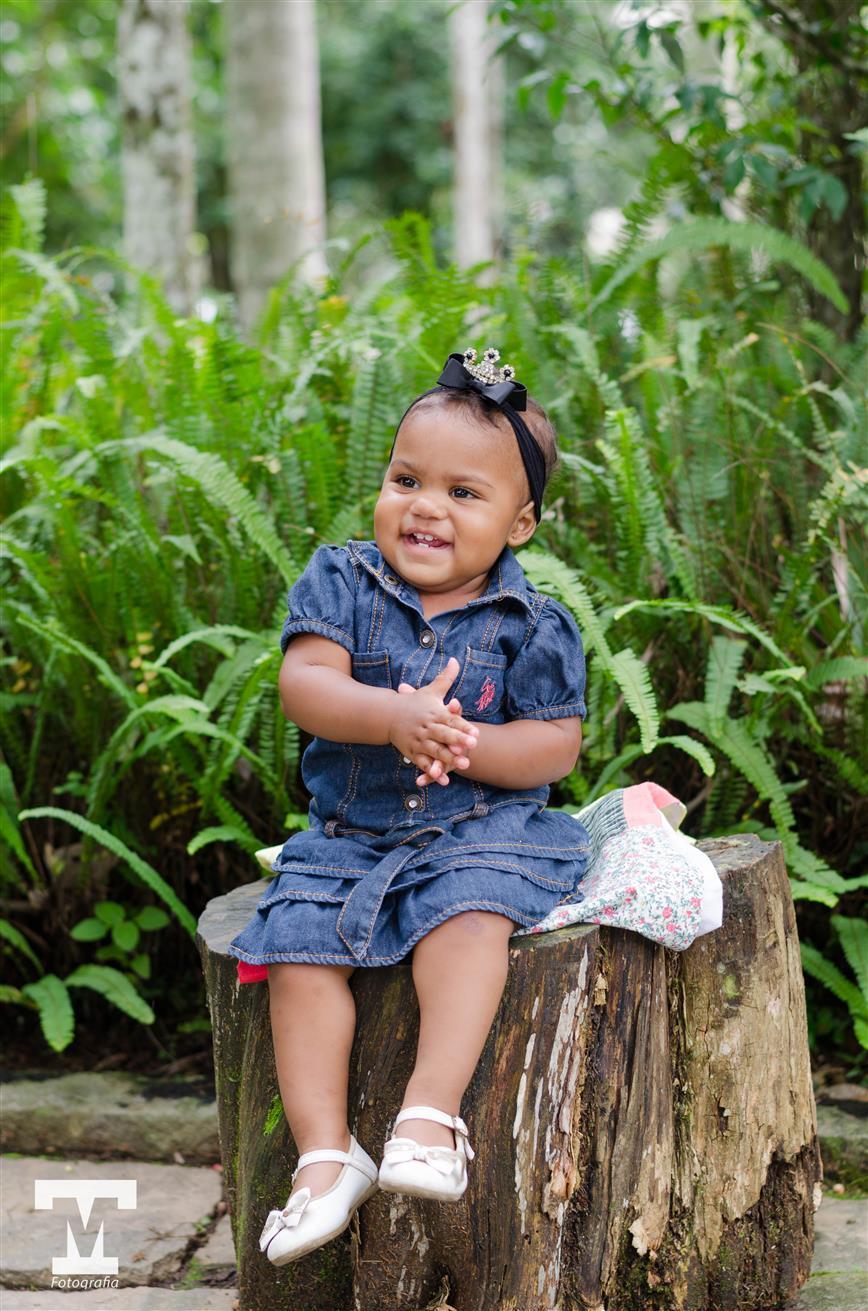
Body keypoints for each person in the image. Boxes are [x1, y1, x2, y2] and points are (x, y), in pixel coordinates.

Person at [228, 347, 590, 1266]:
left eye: (464, 493)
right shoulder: (342, 583)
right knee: (297, 948)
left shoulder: (533, 624)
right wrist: (393, 716)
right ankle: (324, 1153)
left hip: (480, 832)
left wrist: (471, 744)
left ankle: (428, 1114)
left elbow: (555, 742)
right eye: (406, 479)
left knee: (470, 919)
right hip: (350, 837)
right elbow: (304, 685)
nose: (426, 505)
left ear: (520, 524)